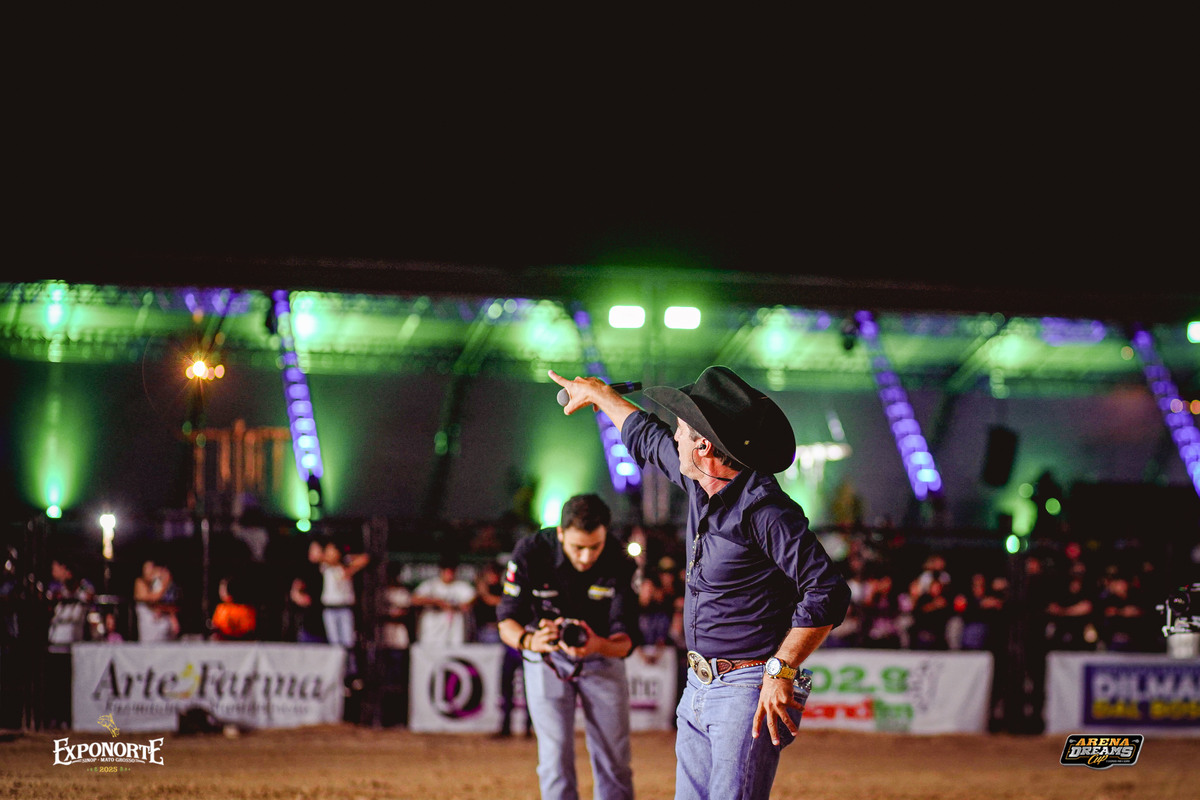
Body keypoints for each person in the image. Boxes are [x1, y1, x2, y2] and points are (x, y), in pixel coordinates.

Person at [551, 365, 850, 800]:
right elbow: (645, 435)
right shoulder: (701, 484)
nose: (674, 436)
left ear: (704, 446)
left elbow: (828, 590)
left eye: (681, 430)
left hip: (746, 691)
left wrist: (782, 668)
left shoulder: (765, 510)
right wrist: (598, 393)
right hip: (698, 685)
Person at [497, 493, 640, 800]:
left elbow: (626, 641)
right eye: (578, 547)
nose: (586, 557)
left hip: (601, 655)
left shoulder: (620, 559)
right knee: (554, 758)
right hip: (545, 657)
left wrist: (598, 644)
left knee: (614, 759)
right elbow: (506, 622)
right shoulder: (531, 551)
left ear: (606, 534)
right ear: (560, 533)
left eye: (595, 547)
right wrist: (530, 640)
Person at [317, 537, 370, 675]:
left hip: (345, 608)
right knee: (334, 643)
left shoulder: (345, 564)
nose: (329, 553)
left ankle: (350, 673)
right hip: (330, 608)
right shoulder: (325, 565)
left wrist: (347, 562)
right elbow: (317, 556)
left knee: (348, 641)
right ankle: (337, 672)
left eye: (332, 550)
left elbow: (365, 558)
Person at [411, 554, 476, 644]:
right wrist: (437, 602)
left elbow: (470, 601)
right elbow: (414, 599)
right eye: (446, 570)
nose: (449, 574)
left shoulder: (461, 586)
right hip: (432, 632)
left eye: (452, 571)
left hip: (453, 633)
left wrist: (454, 606)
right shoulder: (431, 585)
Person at [134, 559, 180, 642]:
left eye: (153, 568)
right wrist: (165, 584)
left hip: (161, 624)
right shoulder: (139, 582)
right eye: (147, 568)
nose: (151, 572)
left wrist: (172, 616)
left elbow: (165, 604)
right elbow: (153, 599)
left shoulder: (156, 584)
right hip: (148, 627)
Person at [211, 575, 257, 640]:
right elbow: (216, 627)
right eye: (221, 590)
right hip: (222, 643)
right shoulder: (221, 608)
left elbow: (248, 632)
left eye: (224, 589)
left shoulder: (246, 610)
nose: (222, 593)